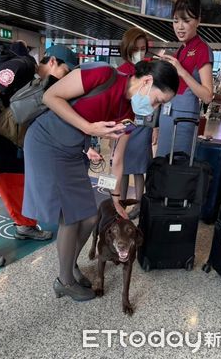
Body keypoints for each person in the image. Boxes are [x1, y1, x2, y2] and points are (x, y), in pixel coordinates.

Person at [23, 60, 179, 301]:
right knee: (70, 217)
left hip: (74, 152)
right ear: (147, 82)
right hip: (47, 143)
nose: (155, 108)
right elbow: (51, 97)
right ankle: (64, 281)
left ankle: (69, 265)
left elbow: (117, 160)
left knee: (91, 216)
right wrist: (89, 127)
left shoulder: (128, 116)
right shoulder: (103, 73)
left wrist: (116, 200)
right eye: (158, 100)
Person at [0, 41, 53, 269]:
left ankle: (24, 226)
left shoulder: (29, 74)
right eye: (65, 70)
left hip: (7, 135)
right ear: (53, 62)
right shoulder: (23, 65)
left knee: (16, 180)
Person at [155, 0, 213, 157]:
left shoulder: (202, 49)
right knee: (162, 167)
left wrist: (182, 71)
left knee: (177, 171)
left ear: (198, 21)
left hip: (183, 121)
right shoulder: (180, 50)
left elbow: (208, 96)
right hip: (167, 116)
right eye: (175, 21)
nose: (179, 27)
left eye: (186, 20)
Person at [116, 27, 152, 219]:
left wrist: (154, 127)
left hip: (142, 124)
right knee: (121, 167)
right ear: (127, 48)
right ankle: (120, 202)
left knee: (138, 168)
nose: (140, 52)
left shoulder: (147, 70)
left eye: (143, 48)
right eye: (136, 49)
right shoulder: (121, 71)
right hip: (123, 125)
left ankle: (138, 204)